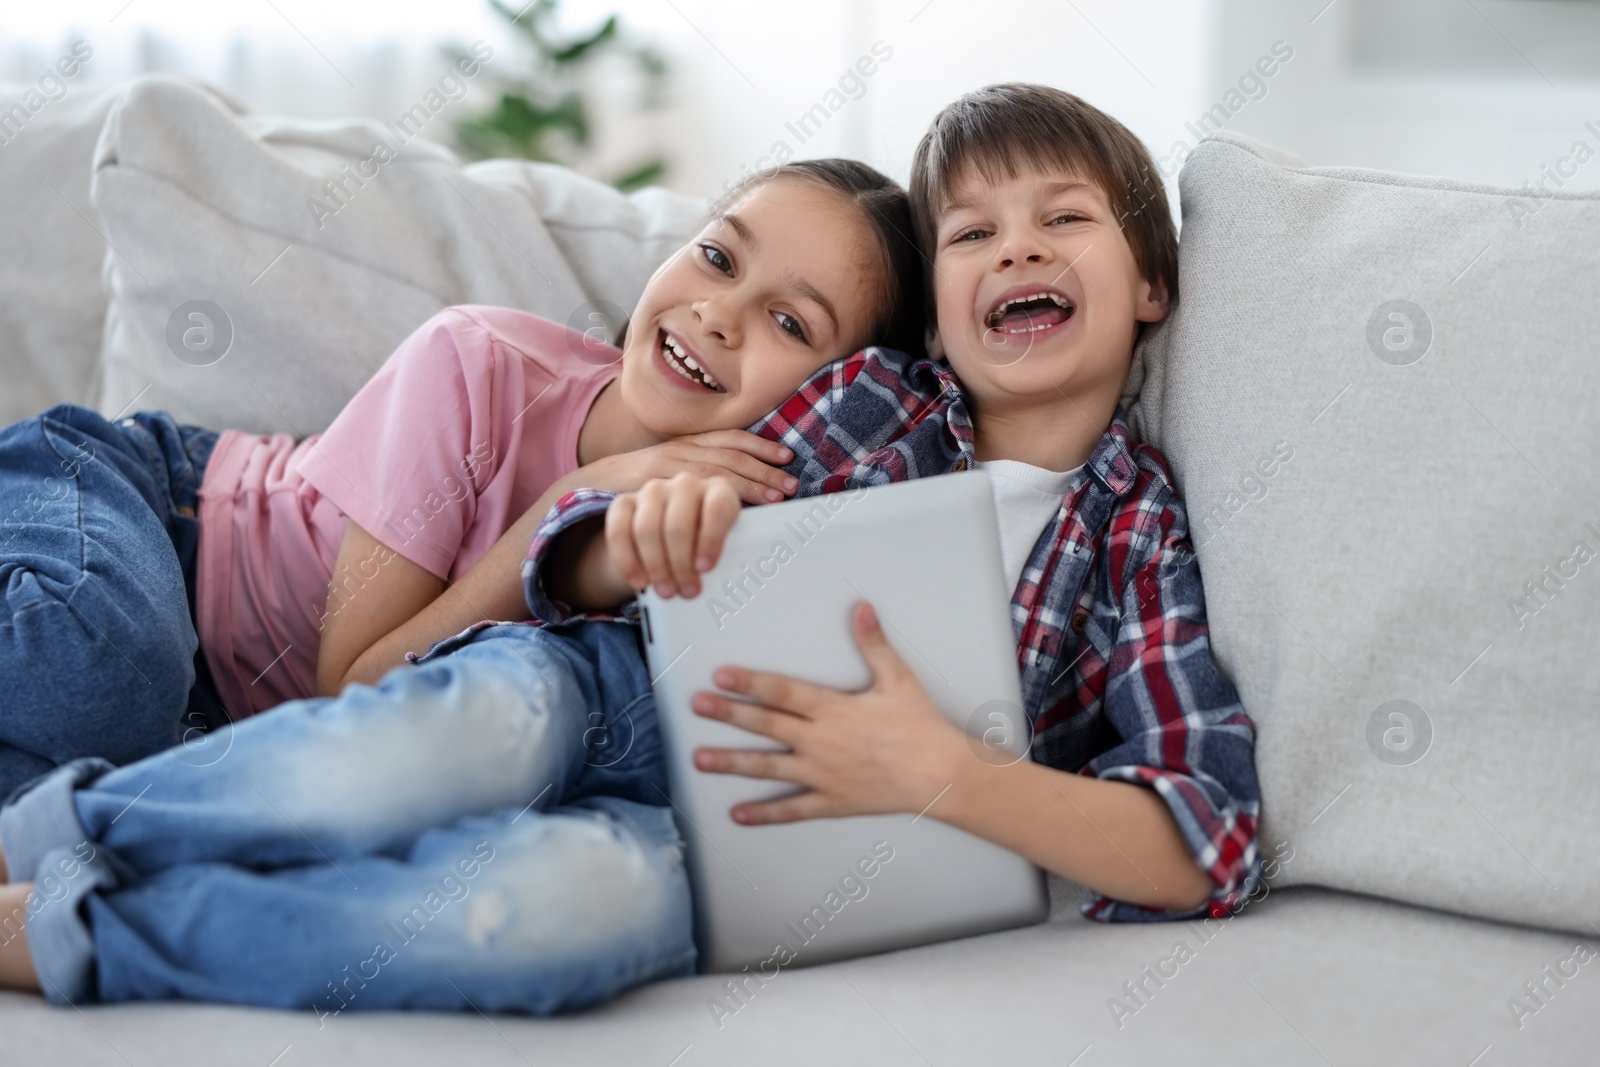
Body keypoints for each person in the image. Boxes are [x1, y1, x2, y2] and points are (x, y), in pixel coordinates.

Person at [0, 163, 935, 1012]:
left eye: (789, 322)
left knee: (82, 759)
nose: (719, 313)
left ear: (837, 394)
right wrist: (560, 512)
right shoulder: (479, 362)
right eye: (719, 257)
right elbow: (355, 687)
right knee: (96, 666)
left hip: (202, 720)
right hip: (152, 513)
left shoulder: (732, 551)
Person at [535, 83, 1263, 922]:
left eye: (1063, 219)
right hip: (602, 687)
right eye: (973, 233)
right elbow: (577, 565)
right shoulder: (864, 398)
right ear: (934, 323)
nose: (1018, 249)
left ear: (1152, 284)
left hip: (739, 858)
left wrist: (949, 774)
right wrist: (628, 543)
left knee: (529, 921)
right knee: (417, 758)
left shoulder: (1140, 538)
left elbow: (1211, 845)